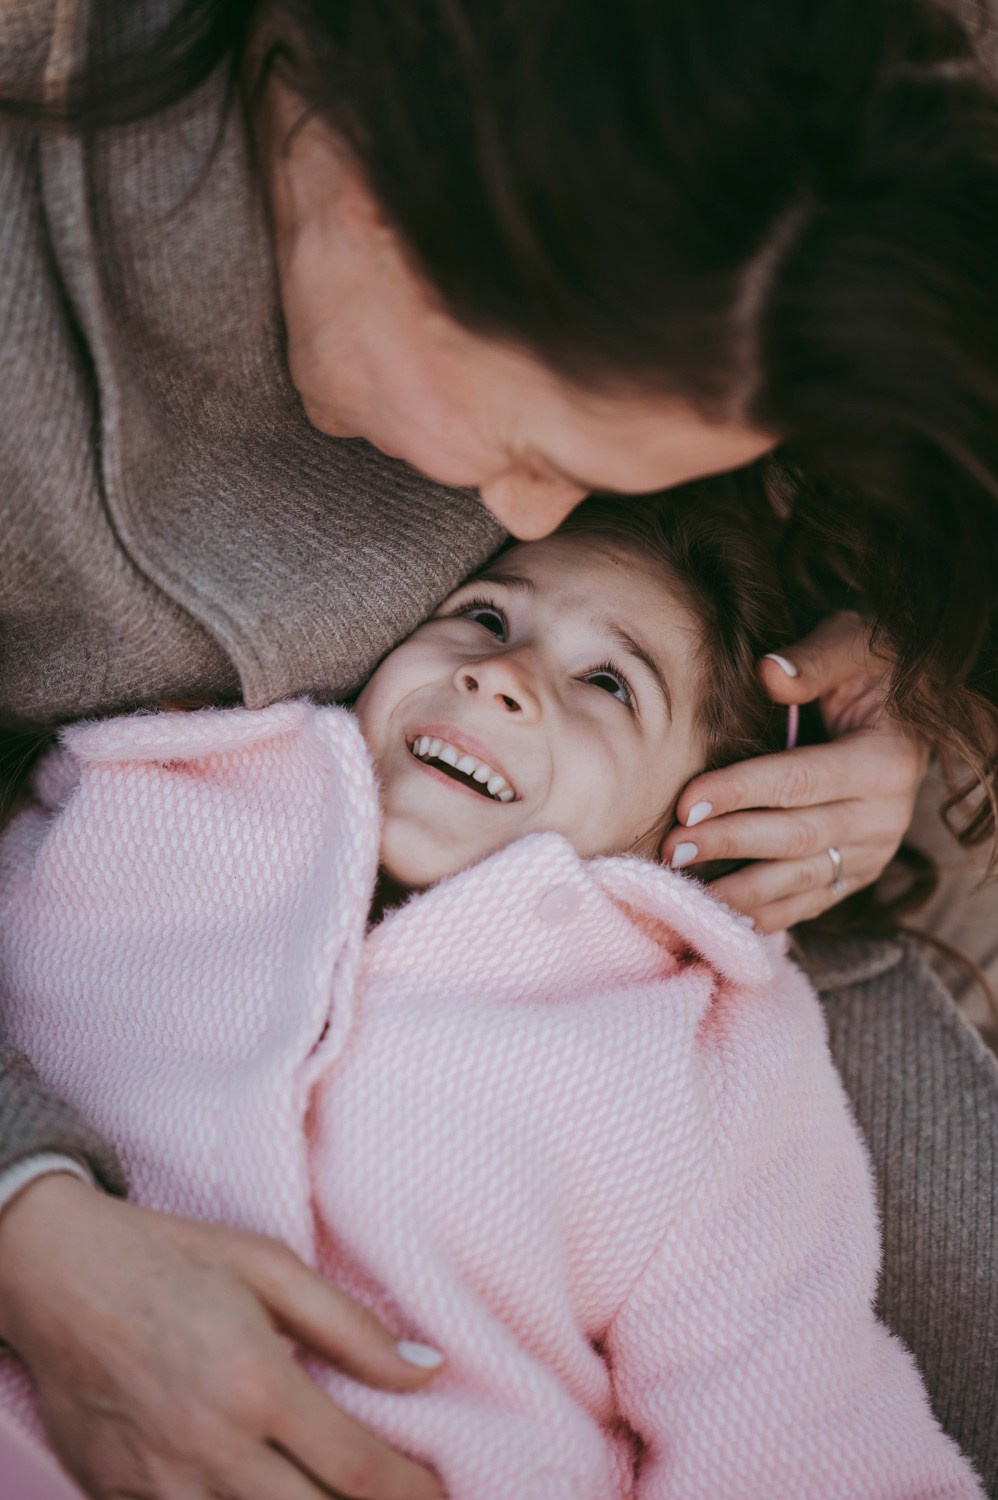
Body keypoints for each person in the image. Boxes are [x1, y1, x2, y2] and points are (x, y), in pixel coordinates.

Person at [1, 1, 997, 1497]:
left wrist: (888, 694)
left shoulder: (698, 1069)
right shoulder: (125, 816)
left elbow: (793, 1410)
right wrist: (28, 1215)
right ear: (365, 174)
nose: (528, 517)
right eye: (532, 441)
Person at [0, 497, 983, 1498]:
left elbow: (786, 1414)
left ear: (709, 813)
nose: (499, 675)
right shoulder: (151, 790)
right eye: (483, 618)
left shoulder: (707, 1053)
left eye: (608, 682)